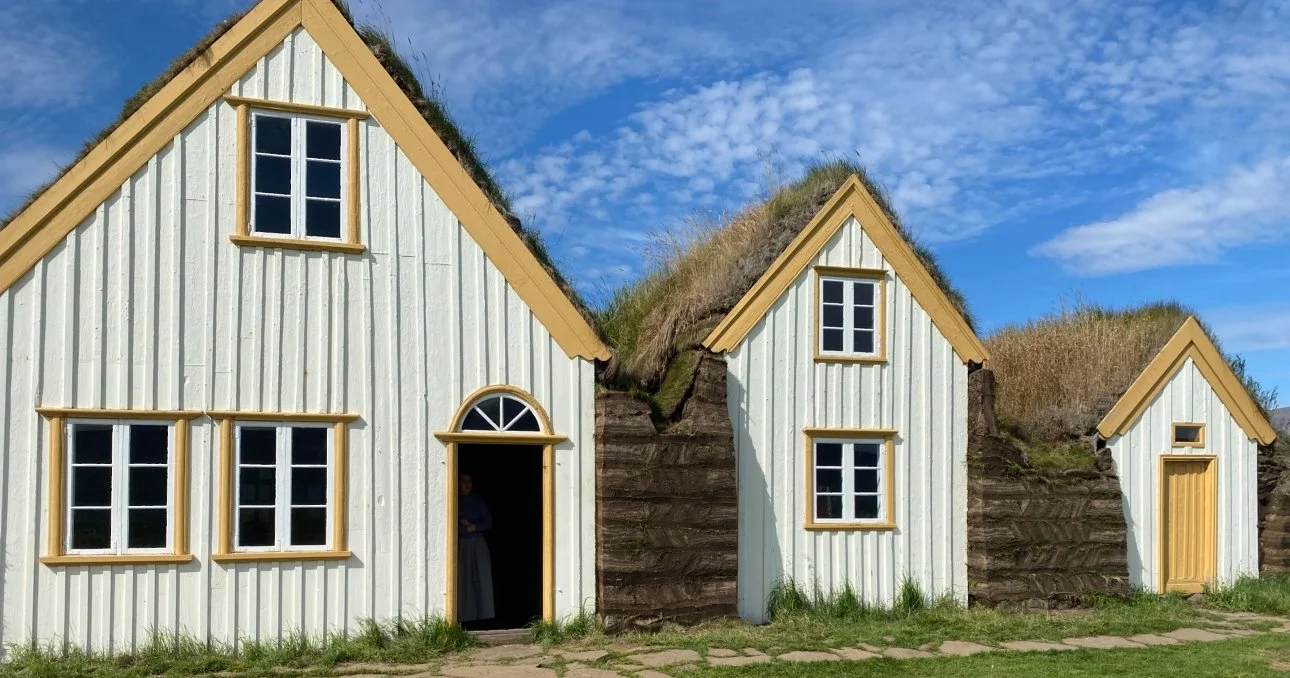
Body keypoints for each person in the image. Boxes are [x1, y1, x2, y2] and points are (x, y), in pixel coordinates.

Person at [457, 473, 495, 623]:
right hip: (462, 544)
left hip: (478, 543)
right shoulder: (455, 500)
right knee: (463, 579)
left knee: (481, 578)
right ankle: (463, 616)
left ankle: (484, 616)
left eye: (469, 481)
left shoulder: (478, 501)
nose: (467, 484)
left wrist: (475, 526)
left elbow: (489, 522)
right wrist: (464, 529)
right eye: (463, 481)